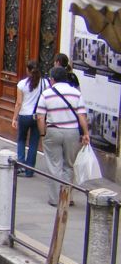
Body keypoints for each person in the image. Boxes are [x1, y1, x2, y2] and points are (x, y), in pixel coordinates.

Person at [36, 66, 90, 205]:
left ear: (52, 79)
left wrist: (43, 134)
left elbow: (40, 117)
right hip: (72, 133)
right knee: (69, 166)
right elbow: (82, 115)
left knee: (54, 166)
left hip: (53, 131)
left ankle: (55, 199)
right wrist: (85, 133)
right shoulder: (76, 93)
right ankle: (66, 198)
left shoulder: (46, 94)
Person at [12, 59, 47, 177]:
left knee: (21, 139)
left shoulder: (22, 84)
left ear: (27, 70)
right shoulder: (45, 83)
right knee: (33, 143)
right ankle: (29, 170)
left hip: (24, 115)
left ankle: (21, 164)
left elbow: (19, 103)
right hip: (38, 116)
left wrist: (14, 118)